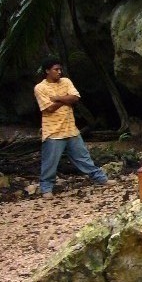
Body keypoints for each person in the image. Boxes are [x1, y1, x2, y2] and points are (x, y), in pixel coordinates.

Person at [33, 57, 113, 198]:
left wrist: (58, 98)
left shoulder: (66, 81)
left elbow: (75, 98)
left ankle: (101, 179)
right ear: (47, 71)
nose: (59, 72)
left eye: (60, 69)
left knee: (83, 158)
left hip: (71, 129)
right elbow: (49, 108)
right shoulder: (40, 88)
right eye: (55, 69)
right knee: (50, 162)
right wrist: (66, 99)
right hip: (53, 132)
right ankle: (46, 189)